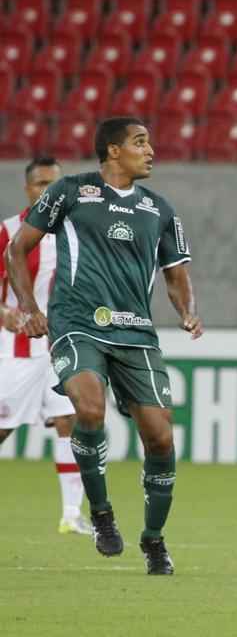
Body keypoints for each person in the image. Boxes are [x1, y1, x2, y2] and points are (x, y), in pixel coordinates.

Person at [6, 117, 203, 575]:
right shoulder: (70, 192)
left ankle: (154, 540)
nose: (150, 150)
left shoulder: (161, 209)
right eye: (140, 143)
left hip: (135, 332)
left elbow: (176, 275)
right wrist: (31, 307)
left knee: (160, 435)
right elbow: (18, 248)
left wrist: (186, 310)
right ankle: (100, 513)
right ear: (113, 151)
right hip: (77, 323)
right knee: (88, 410)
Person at [0, 157, 89, 537]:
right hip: (14, 349)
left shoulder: (75, 232)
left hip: (59, 350)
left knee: (72, 422)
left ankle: (71, 514)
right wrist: (4, 312)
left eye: (53, 183)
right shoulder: (8, 231)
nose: (46, 190)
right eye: (40, 183)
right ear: (27, 188)